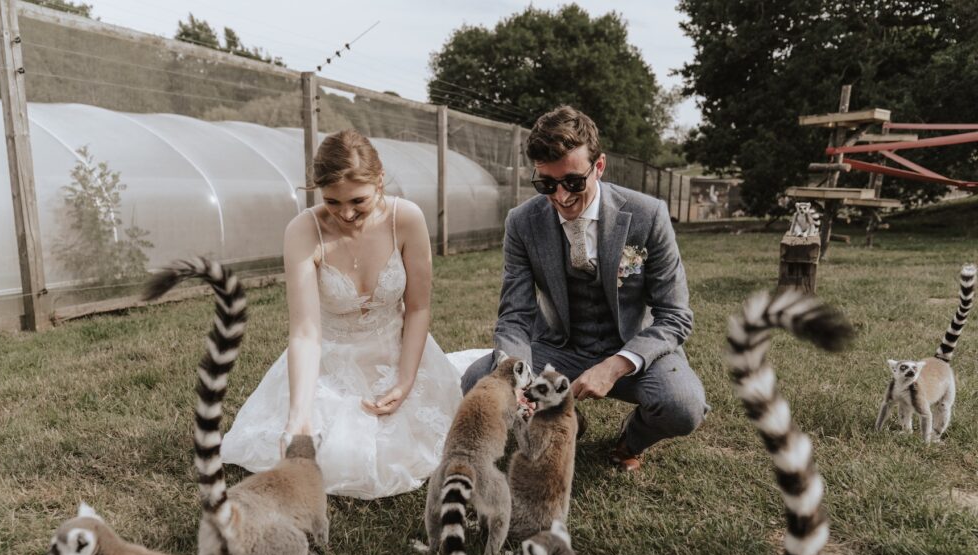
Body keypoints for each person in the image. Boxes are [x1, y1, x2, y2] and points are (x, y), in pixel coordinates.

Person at [461, 106, 708, 472]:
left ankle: (631, 439)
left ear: (600, 166)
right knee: (478, 381)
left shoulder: (648, 215)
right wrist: (515, 371)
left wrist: (616, 365)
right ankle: (566, 425)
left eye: (573, 182)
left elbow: (675, 316)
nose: (561, 196)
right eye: (547, 184)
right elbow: (515, 315)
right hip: (559, 347)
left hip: (631, 347)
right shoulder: (521, 223)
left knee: (683, 405)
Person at [221, 130, 464, 499]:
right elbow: (305, 332)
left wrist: (404, 380)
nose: (346, 213)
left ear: (379, 181)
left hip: (399, 350)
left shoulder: (407, 219)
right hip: (329, 362)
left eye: (358, 201)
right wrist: (299, 417)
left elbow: (418, 308)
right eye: (333, 201)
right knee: (325, 451)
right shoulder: (303, 230)